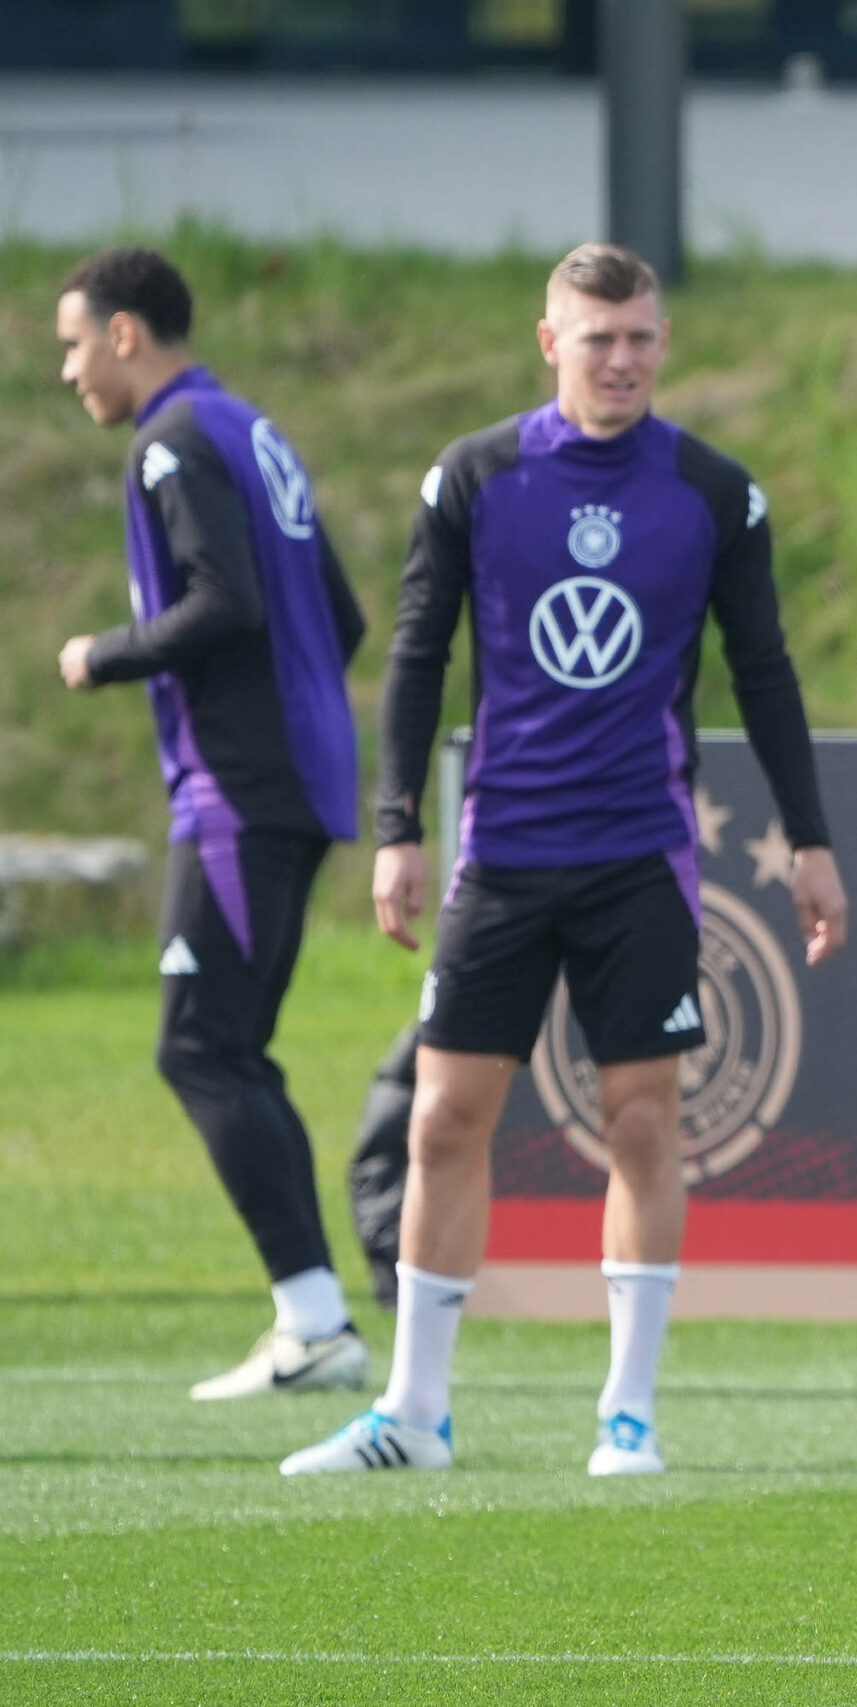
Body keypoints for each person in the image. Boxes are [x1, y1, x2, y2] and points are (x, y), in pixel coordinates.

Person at [282, 242, 849, 1479]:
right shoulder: (476, 478)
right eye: (599, 339)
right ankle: (416, 1414)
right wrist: (397, 831)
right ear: (551, 343)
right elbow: (419, 657)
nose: (625, 359)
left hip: (639, 852)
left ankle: (626, 1415)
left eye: (642, 336)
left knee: (641, 1121)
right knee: (443, 1121)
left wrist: (810, 839)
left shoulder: (711, 490)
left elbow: (763, 673)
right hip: (504, 849)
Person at [53, 245, 371, 1401]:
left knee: (199, 1047)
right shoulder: (249, 425)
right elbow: (335, 616)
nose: (70, 371)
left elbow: (222, 600)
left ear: (127, 334)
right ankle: (313, 1319)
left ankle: (317, 1321)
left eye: (74, 344)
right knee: (228, 1048)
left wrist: (103, 655)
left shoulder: (170, 440)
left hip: (240, 790)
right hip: (291, 774)